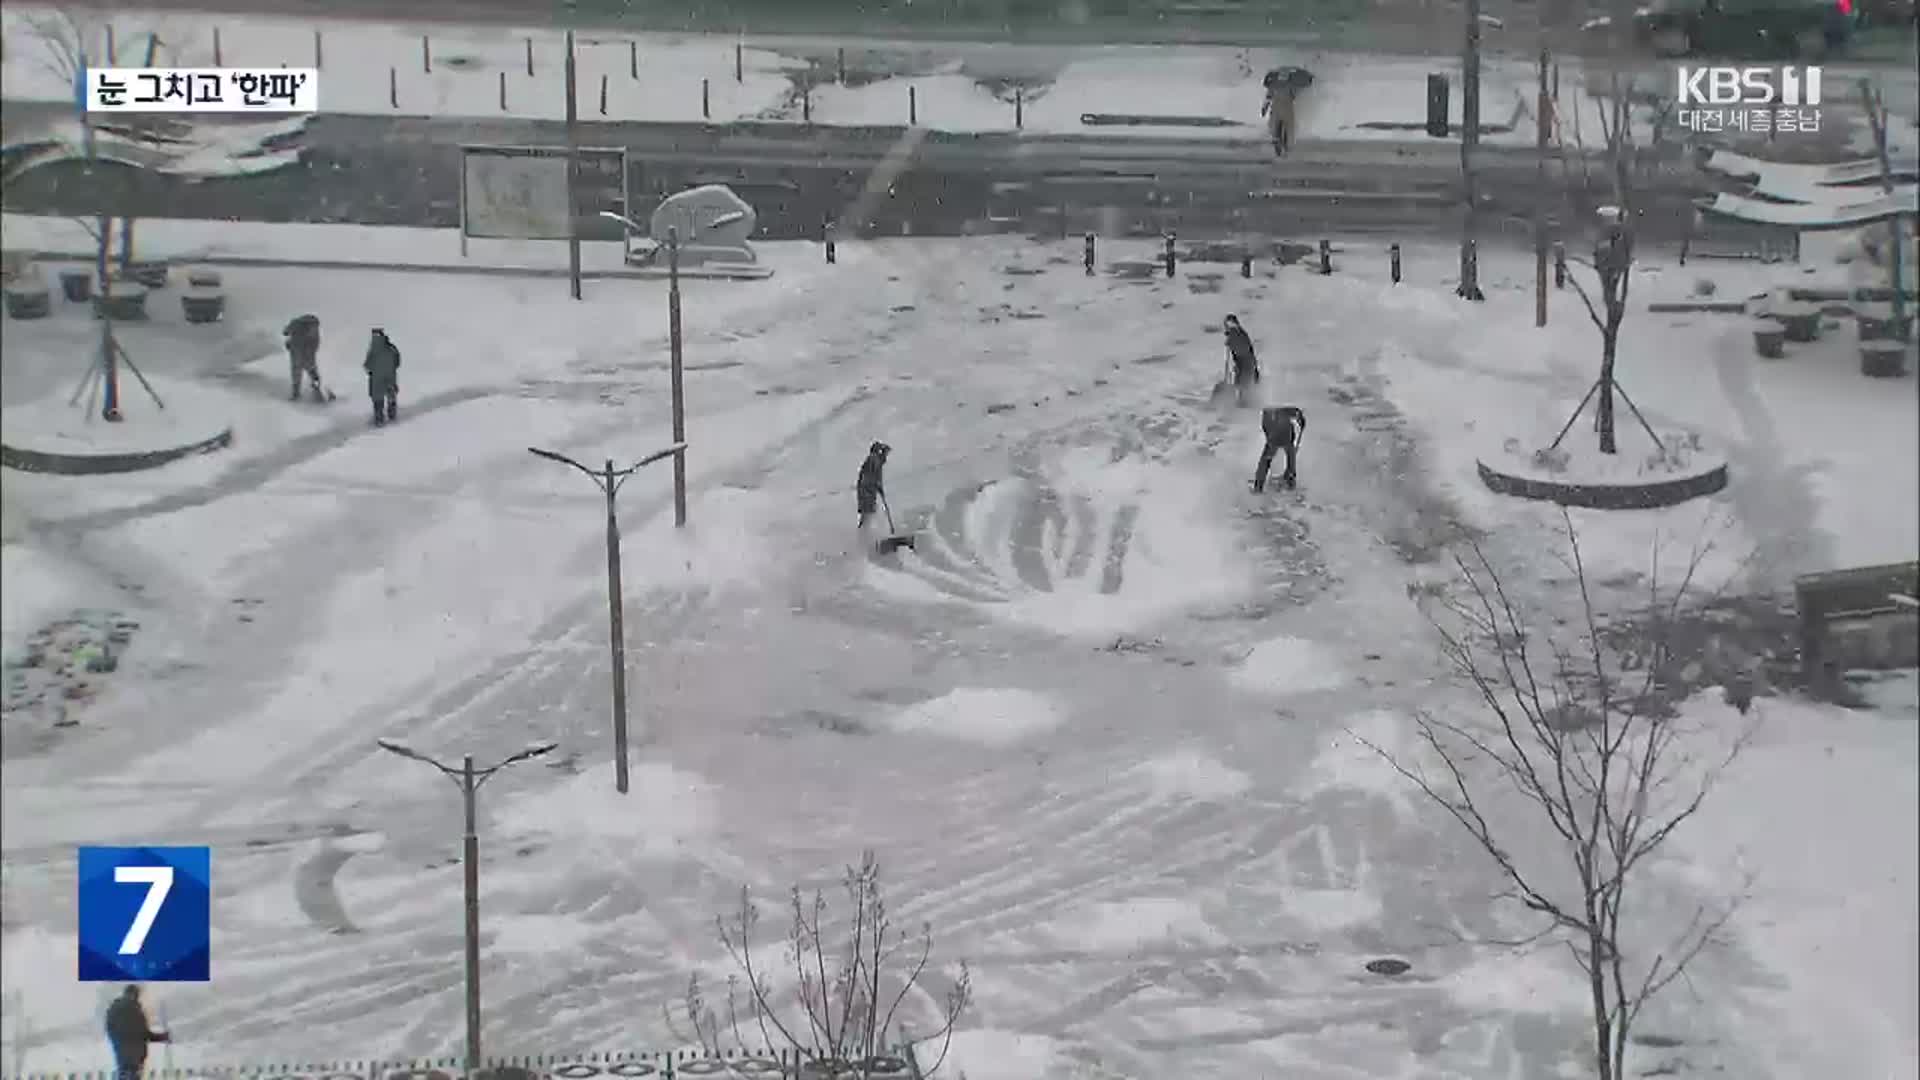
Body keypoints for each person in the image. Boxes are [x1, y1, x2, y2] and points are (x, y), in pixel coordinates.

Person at [105, 984, 170, 1080]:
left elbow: (109, 1029)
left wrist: (118, 1043)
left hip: (122, 1055)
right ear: (134, 994)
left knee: (124, 1074)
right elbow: (144, 1034)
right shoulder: (135, 1011)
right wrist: (163, 1037)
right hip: (135, 1057)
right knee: (131, 1075)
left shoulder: (113, 1009)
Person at [1253, 405, 1307, 492]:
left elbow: (1267, 431)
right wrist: (1301, 421)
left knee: (1266, 458)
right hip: (1285, 431)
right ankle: (1290, 480)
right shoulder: (1285, 410)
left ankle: (1258, 486)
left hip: (1275, 431)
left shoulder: (1267, 414)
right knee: (1290, 452)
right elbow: (1297, 413)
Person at [364, 328, 401, 426]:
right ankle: (392, 410)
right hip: (390, 375)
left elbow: (367, 365)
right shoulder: (390, 347)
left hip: (377, 377)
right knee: (391, 391)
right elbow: (397, 360)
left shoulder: (372, 350)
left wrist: (371, 371)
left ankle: (379, 417)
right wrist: (392, 368)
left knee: (377, 396)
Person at [283, 314, 324, 402]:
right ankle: (315, 393)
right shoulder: (297, 324)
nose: (314, 329)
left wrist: (289, 342)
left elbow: (285, 332)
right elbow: (315, 345)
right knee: (310, 374)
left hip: (299, 353)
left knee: (299, 373)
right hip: (302, 354)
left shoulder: (296, 324)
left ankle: (298, 393)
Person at [856, 441, 891, 543]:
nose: (886, 456)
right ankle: (862, 538)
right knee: (867, 513)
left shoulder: (876, 460)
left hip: (868, 491)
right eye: (885, 453)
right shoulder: (873, 459)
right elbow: (869, 477)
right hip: (866, 491)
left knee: (868, 513)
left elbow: (875, 476)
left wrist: (878, 487)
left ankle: (864, 536)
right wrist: (877, 485)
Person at [1262, 71, 1297, 156]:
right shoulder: (1290, 85)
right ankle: (1285, 145)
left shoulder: (1273, 85)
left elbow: (1268, 98)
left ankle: (1277, 142)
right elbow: (1293, 96)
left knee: (1274, 127)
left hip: (1276, 109)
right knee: (1288, 127)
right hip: (1287, 109)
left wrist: (1264, 108)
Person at [1223, 315, 1260, 388]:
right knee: (1240, 383)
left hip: (1245, 361)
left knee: (1242, 383)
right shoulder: (1240, 333)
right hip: (1242, 361)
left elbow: (1247, 349)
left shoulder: (1236, 332)